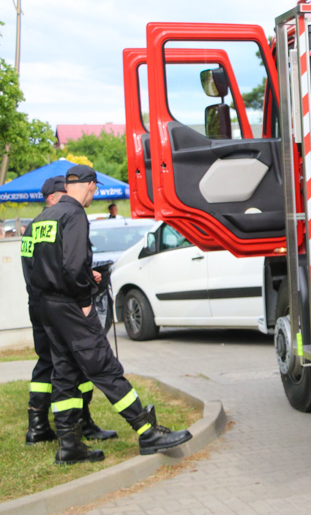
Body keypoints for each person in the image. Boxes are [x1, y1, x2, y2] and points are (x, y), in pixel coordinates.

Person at [24, 165, 192, 465]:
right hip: (70, 306)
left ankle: (69, 445)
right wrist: (85, 298)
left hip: (47, 305)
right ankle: (147, 431)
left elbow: (43, 264)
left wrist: (73, 282)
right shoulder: (74, 214)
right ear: (89, 185)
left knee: (65, 373)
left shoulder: (44, 218)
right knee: (103, 366)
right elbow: (73, 266)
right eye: (95, 189)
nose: (94, 195)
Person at [22, 176, 117, 446]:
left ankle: (39, 424)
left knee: (49, 362)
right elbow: (63, 267)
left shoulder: (36, 225)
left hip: (39, 301)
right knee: (68, 363)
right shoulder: (58, 220)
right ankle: (75, 423)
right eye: (63, 193)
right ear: (53, 197)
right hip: (56, 303)